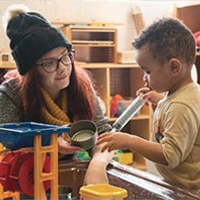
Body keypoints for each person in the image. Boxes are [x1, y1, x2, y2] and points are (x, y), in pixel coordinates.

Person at [0, 4, 112, 185]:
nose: (62, 68)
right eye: (49, 63)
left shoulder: (81, 85)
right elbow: (7, 141)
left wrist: (97, 165)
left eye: (65, 56)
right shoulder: (12, 93)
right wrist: (48, 143)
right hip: (27, 182)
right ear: (30, 71)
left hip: (70, 177)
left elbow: (104, 133)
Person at [97, 17, 200, 191]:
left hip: (189, 192)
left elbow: (170, 156)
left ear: (174, 67)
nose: (144, 78)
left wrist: (130, 141)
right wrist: (160, 99)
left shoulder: (181, 107)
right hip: (179, 185)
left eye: (147, 71)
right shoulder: (181, 96)